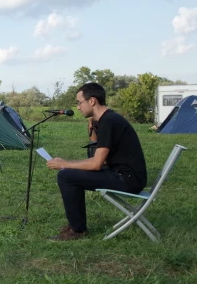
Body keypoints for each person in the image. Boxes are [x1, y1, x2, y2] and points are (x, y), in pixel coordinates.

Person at [46, 82, 147, 241]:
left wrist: (63, 164)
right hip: (122, 173)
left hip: (128, 179)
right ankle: (76, 225)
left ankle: (78, 230)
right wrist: (92, 124)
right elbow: (95, 145)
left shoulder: (109, 121)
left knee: (66, 176)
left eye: (79, 102)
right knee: (69, 173)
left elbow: (96, 163)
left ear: (92, 101)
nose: (78, 107)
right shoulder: (106, 119)